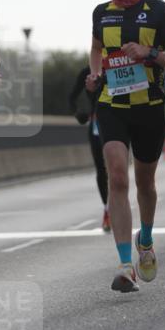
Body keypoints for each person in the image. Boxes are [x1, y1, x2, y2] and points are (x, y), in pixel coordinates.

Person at [86, 0, 165, 293]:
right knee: (116, 175)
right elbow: (96, 49)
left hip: (150, 105)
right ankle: (125, 264)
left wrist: (150, 54)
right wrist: (95, 74)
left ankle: (146, 239)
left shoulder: (158, 10)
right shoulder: (101, 13)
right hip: (111, 103)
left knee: (144, 181)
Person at [68, 65, 109, 230]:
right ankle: (108, 210)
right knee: (101, 169)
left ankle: (118, 205)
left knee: (117, 169)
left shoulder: (117, 63)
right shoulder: (87, 71)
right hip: (97, 123)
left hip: (120, 120)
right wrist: (78, 114)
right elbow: (71, 97)